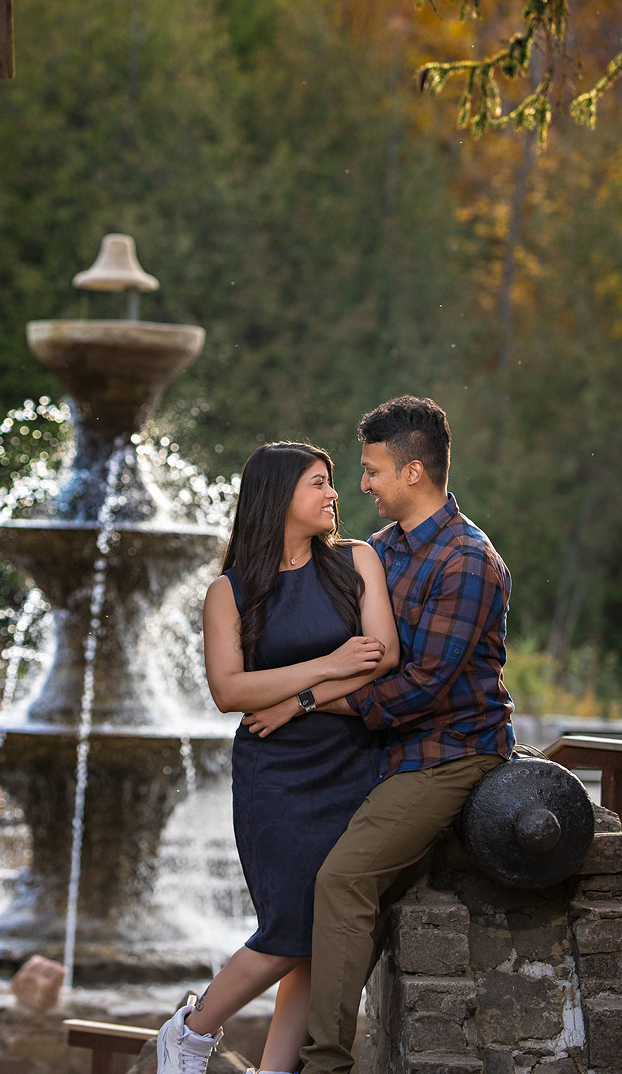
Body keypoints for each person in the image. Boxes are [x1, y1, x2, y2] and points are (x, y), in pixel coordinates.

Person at [245, 396, 516, 1074]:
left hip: (449, 754)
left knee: (340, 882)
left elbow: (421, 687)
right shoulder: (379, 552)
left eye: (370, 471)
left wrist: (304, 700)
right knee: (314, 891)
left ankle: (325, 1063)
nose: (359, 485)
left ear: (414, 472)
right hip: (379, 751)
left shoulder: (466, 560)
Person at [155, 442, 400, 1074]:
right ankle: (191, 1032)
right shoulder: (230, 591)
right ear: (278, 496)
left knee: (321, 938)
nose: (333, 494)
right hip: (277, 777)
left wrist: (304, 696)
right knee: (290, 923)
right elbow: (230, 691)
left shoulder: (357, 560)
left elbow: (384, 657)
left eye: (332, 483)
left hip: (353, 765)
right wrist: (331, 665)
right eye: (318, 483)